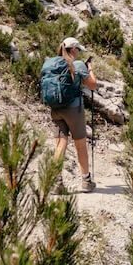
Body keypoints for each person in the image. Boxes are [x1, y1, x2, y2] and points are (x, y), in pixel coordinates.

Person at [45, 37, 98, 193]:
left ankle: (55, 182)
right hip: (74, 109)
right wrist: (90, 69)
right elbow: (93, 85)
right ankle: (86, 181)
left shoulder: (52, 64)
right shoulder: (78, 64)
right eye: (78, 49)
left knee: (60, 144)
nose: (79, 52)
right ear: (73, 49)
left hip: (56, 108)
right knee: (80, 145)